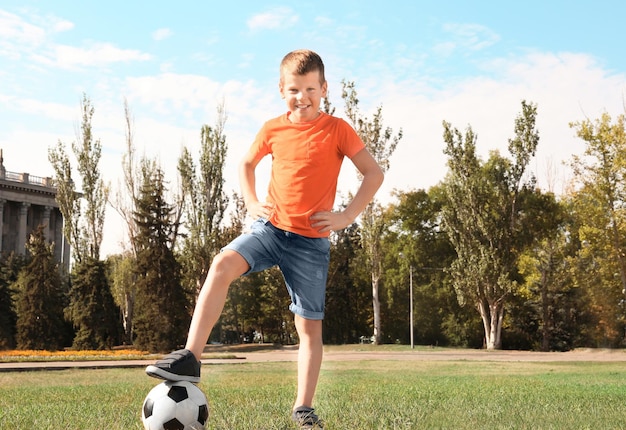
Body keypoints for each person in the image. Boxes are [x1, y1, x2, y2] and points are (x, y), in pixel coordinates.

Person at [146, 49, 384, 429]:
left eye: (310, 88)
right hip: (270, 230)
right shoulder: (273, 128)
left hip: (310, 243)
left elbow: (373, 173)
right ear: (281, 90)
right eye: (293, 89)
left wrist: (346, 216)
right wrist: (252, 201)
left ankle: (303, 407)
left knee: (309, 328)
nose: (301, 97)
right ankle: (191, 356)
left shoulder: (337, 130)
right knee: (222, 263)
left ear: (323, 88)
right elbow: (245, 164)